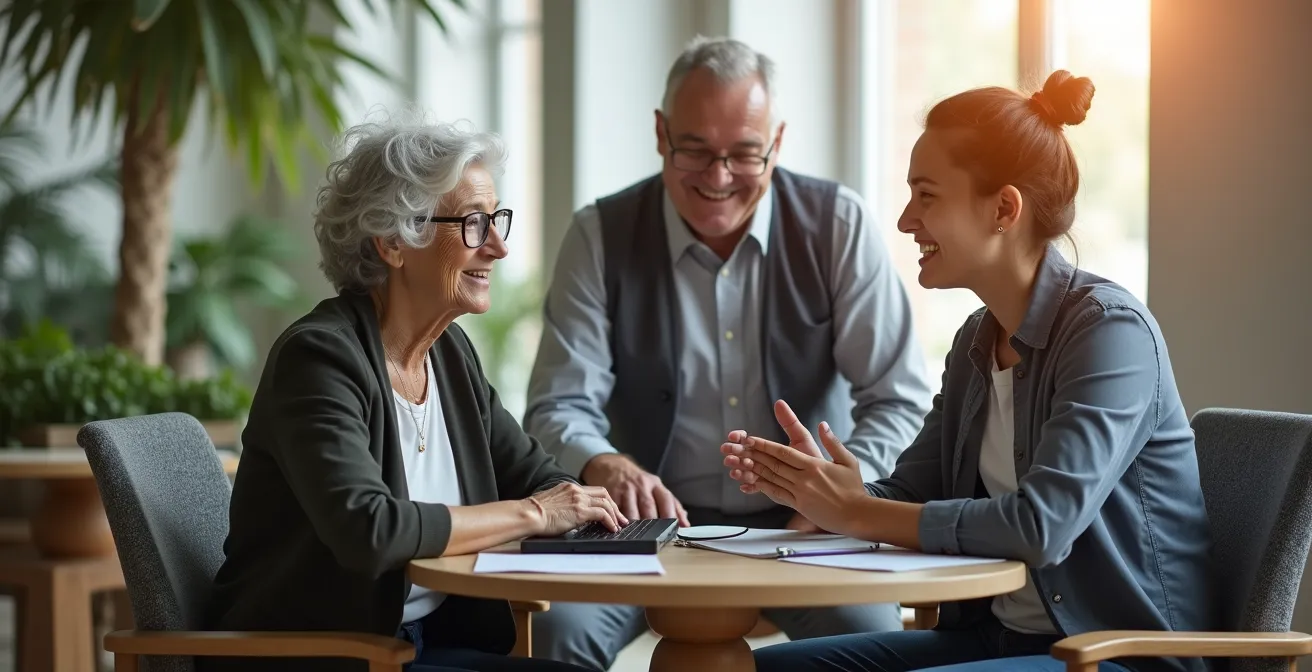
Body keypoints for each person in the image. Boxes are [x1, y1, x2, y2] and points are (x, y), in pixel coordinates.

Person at [720, 70, 1215, 672]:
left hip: (1116, 656)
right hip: (998, 640)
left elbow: (1040, 526)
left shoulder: (1110, 333)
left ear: (1004, 208)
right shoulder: (977, 340)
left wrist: (857, 512)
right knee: (754, 669)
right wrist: (830, 491)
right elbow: (910, 495)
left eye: (926, 196)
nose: (905, 220)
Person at [524, 36, 935, 669]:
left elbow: (898, 397)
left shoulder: (837, 225)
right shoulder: (598, 235)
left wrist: (842, 496)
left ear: (777, 142)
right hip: (640, 530)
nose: (718, 178)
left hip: (807, 529)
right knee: (555, 636)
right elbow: (557, 405)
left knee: (869, 639)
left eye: (744, 154)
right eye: (694, 150)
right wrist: (603, 463)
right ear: (660, 134)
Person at [201, 116, 623, 672]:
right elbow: (371, 530)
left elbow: (538, 476)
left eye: (496, 220)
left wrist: (568, 504)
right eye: (474, 224)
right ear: (394, 242)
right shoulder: (318, 359)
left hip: (422, 641)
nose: (497, 247)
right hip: (329, 655)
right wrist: (533, 514)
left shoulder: (449, 354)